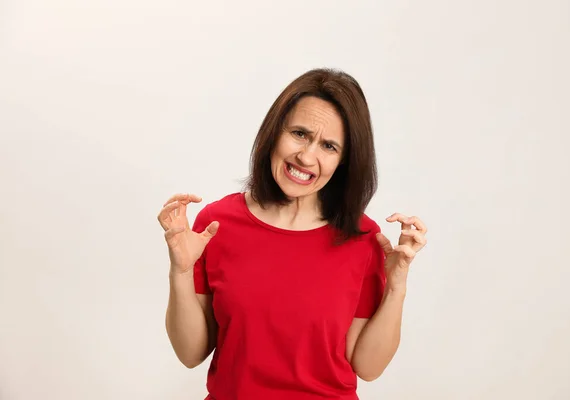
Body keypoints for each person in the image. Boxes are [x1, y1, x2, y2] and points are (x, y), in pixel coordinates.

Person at [157, 68, 428, 400]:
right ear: (275, 133)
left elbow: (369, 367)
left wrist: (397, 282)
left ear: (344, 161)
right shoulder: (217, 224)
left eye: (328, 146)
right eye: (299, 133)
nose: (306, 156)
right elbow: (190, 354)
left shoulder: (362, 238)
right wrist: (181, 271)